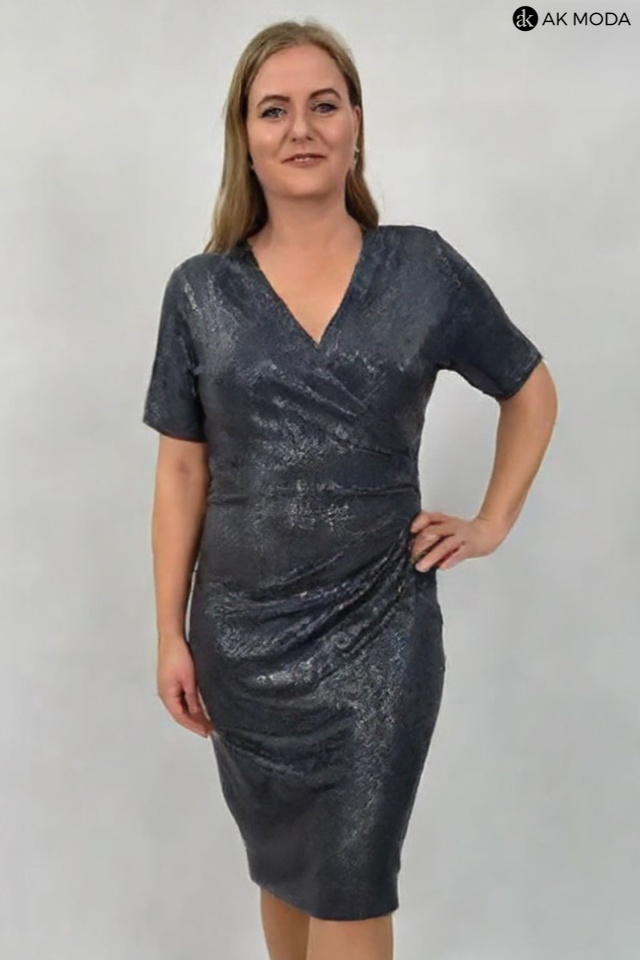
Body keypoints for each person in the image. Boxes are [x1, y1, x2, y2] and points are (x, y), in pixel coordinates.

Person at [141, 18, 557, 960]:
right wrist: (169, 630)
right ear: (244, 136)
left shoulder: (422, 268)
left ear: (356, 124)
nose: (301, 128)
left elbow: (530, 390)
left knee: (352, 880)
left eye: (323, 105)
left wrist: (492, 521)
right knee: (287, 870)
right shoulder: (200, 290)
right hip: (242, 640)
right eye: (274, 110)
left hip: (381, 631)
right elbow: (181, 468)